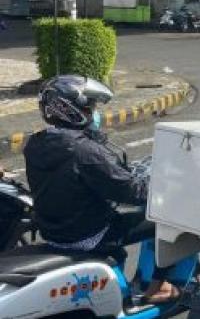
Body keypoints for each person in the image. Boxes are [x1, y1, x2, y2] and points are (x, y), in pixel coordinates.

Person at [23, 75, 177, 303]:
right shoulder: (85, 151)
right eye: (90, 107)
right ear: (71, 110)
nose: (93, 112)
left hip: (56, 232)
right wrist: (165, 186)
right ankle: (159, 287)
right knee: (169, 220)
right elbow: (133, 191)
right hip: (90, 234)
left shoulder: (35, 144)